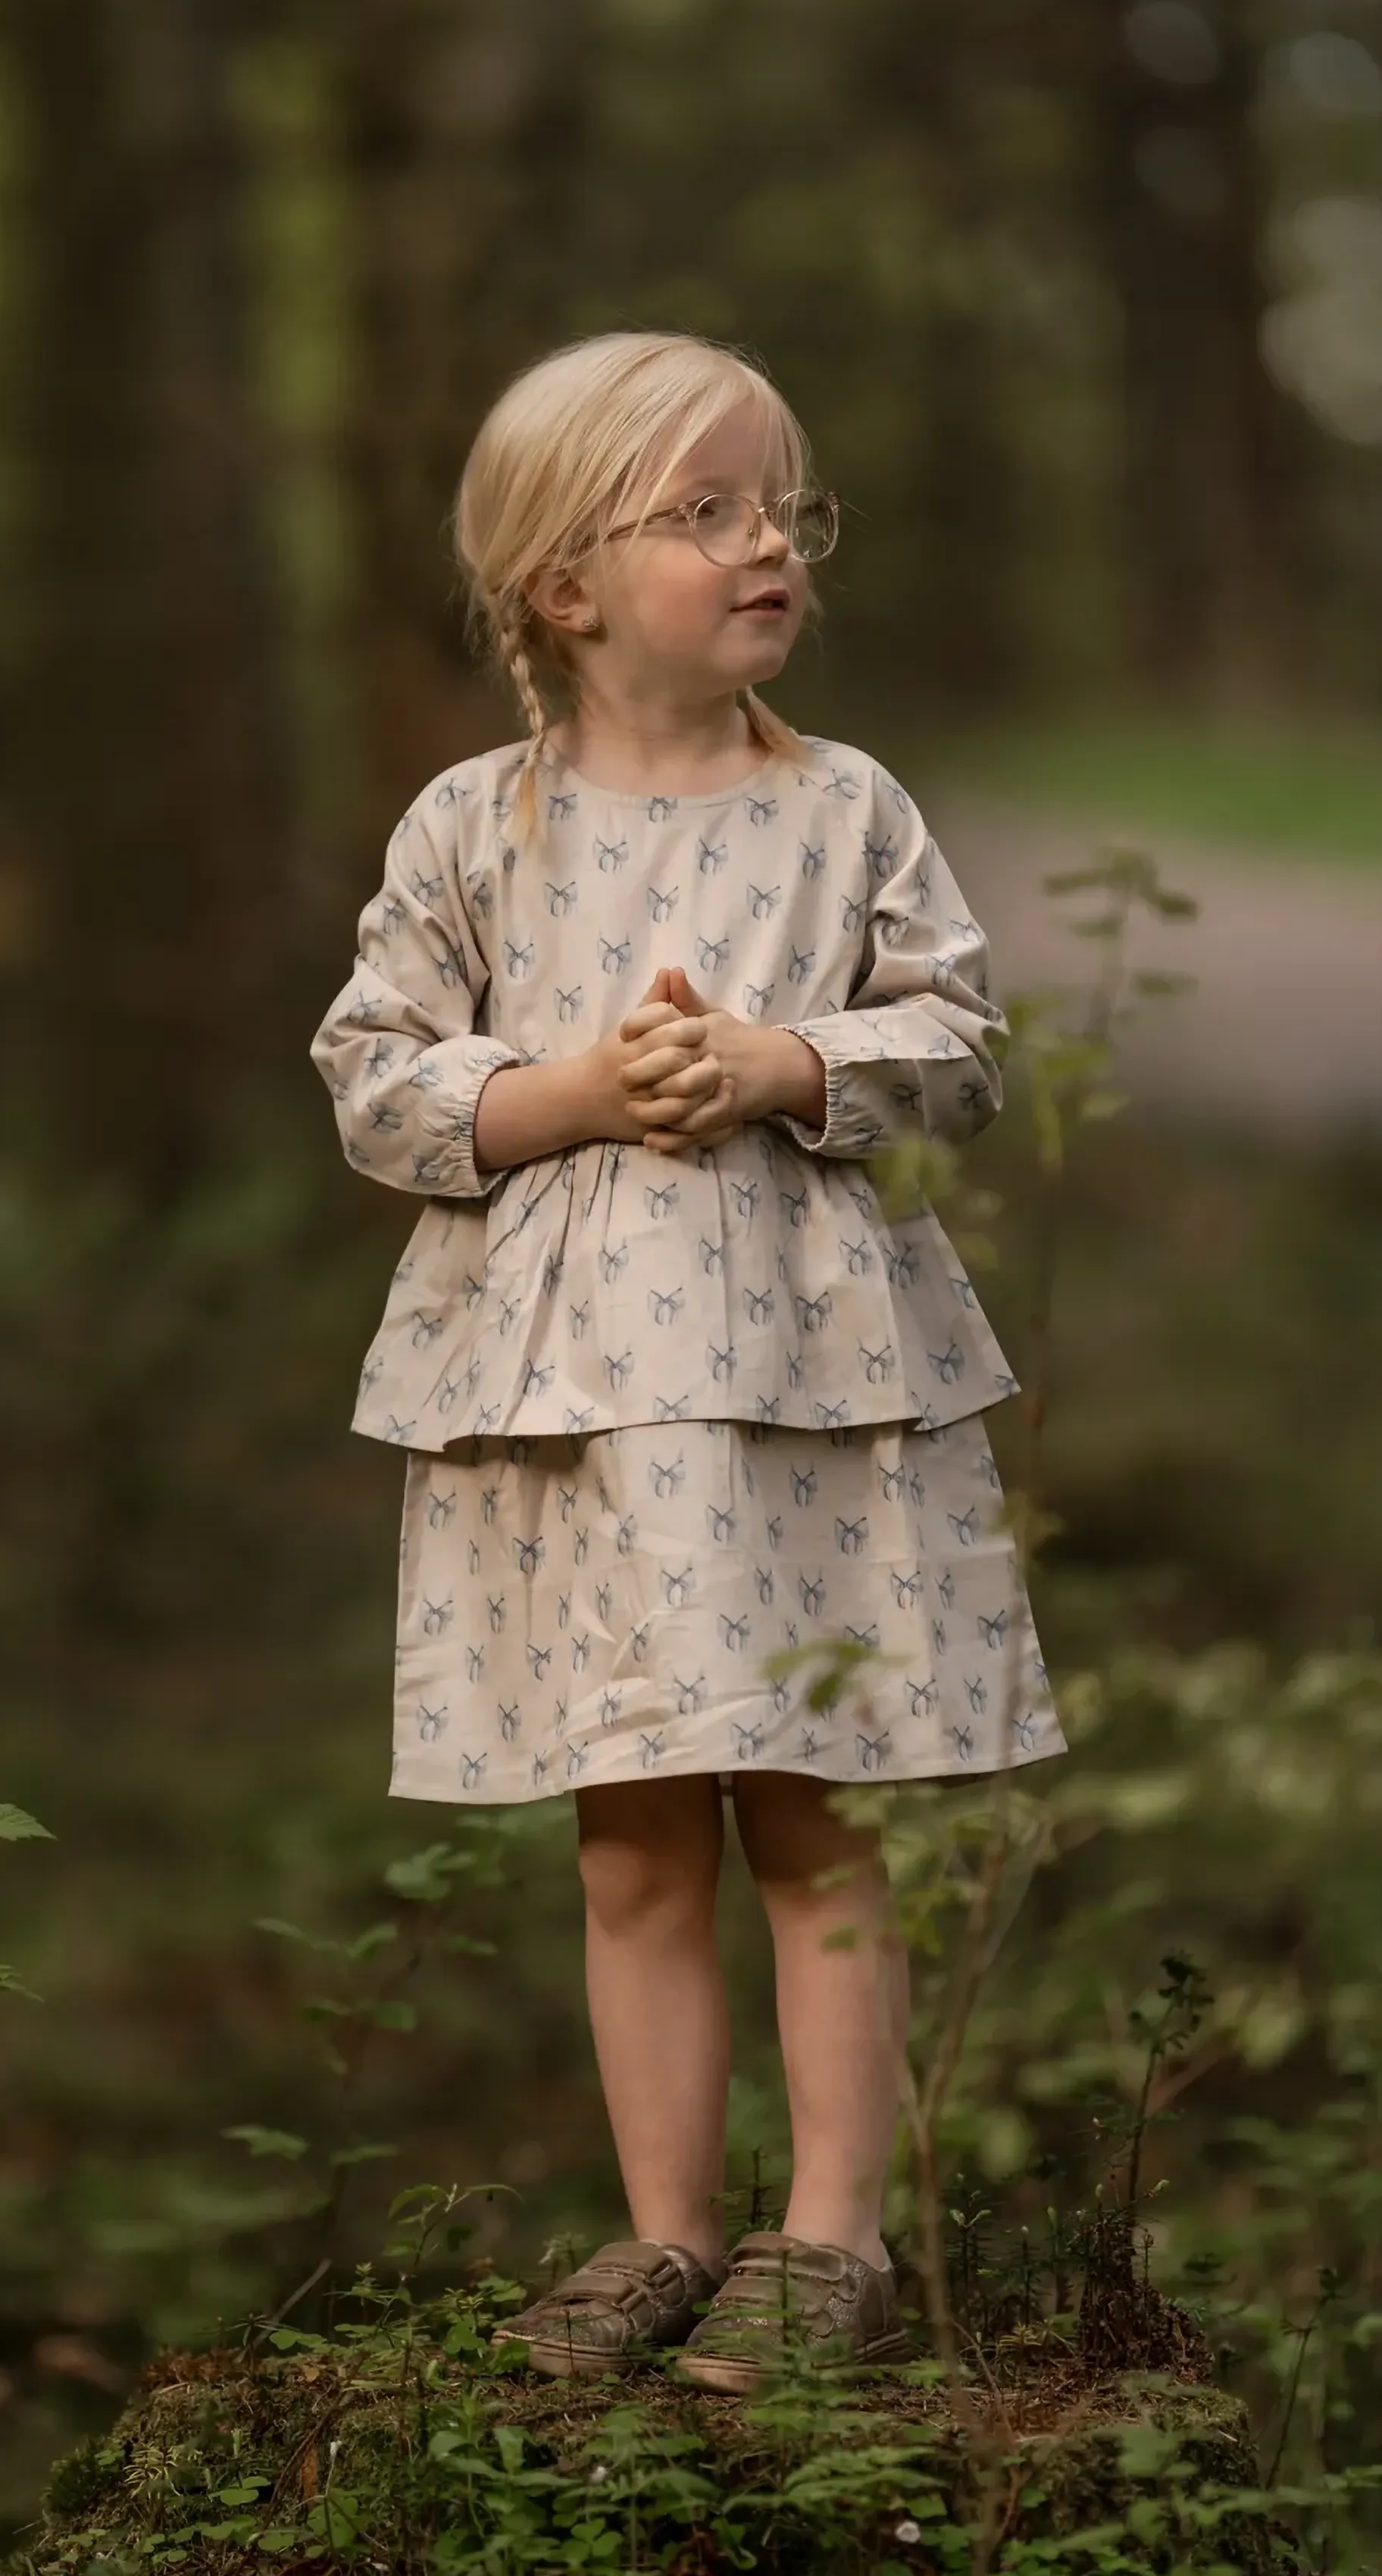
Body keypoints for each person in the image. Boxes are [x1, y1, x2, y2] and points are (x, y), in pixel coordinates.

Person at [307, 330, 1067, 2393]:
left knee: (812, 1809)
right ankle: (664, 2236)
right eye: (707, 511)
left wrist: (782, 1062)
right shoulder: (477, 827)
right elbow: (373, 1079)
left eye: (783, 507)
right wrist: (568, 1090)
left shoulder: (844, 809)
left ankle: (831, 2242)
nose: (768, 544)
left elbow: (961, 1047)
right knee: (634, 1829)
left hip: (805, 1380)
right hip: (572, 1405)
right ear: (564, 584)